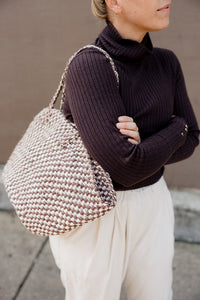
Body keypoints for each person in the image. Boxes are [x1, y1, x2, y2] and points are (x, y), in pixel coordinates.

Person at [49, 0, 200, 299]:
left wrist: (145, 138)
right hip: (95, 212)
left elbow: (192, 137)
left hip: (154, 203)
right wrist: (174, 128)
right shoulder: (90, 66)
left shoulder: (166, 62)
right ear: (114, 2)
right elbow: (125, 167)